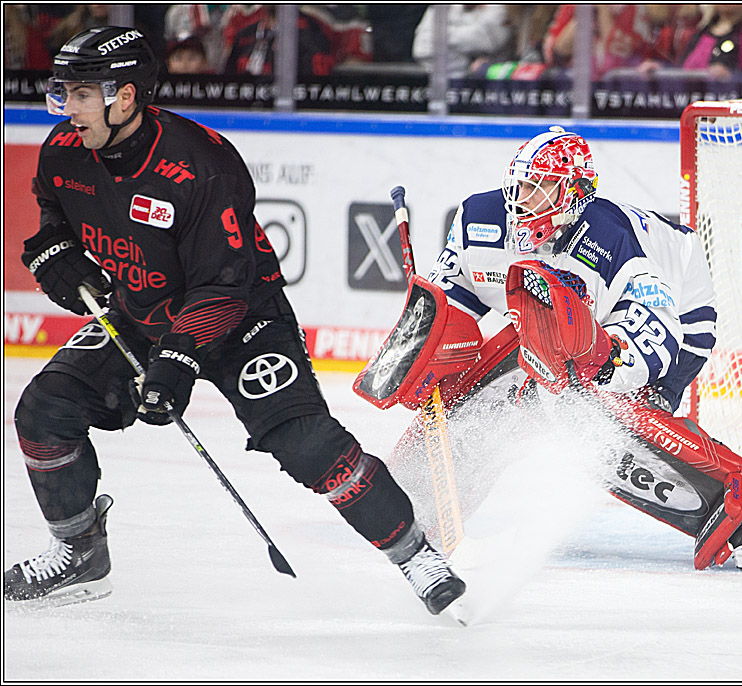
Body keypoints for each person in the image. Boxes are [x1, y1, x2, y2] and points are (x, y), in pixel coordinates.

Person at [3, 26, 465, 617]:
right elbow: (55, 218)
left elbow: (222, 287)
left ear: (125, 96)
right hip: (142, 316)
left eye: (81, 94)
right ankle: (79, 554)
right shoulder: (64, 151)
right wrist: (54, 255)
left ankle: (416, 554)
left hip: (243, 319)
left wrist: (176, 362)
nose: (67, 108)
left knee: (308, 446)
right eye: (64, 93)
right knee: (45, 411)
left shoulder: (202, 164)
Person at [362, 127, 742, 571]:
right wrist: (426, 351)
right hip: (569, 322)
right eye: (520, 184)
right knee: (497, 393)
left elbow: (660, 331)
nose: (521, 198)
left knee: (593, 421)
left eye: (540, 187)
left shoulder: (611, 241)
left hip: (680, 306)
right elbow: (453, 300)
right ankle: (419, 495)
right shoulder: (480, 219)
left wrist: (602, 367)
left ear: (574, 192)